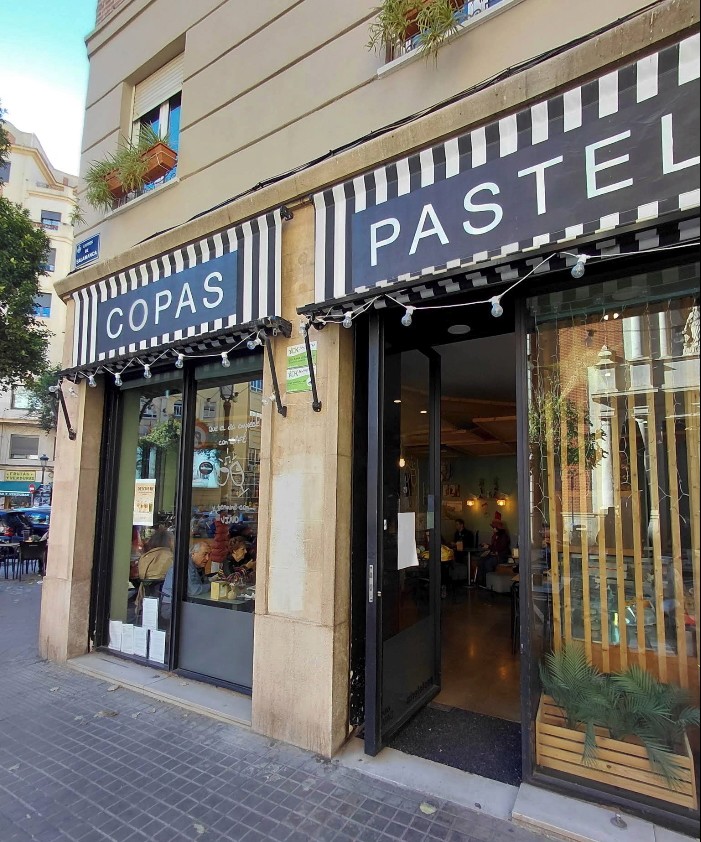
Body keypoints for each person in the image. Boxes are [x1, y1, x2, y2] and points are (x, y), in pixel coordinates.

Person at [160, 541, 212, 621]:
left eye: (209, 555)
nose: (207, 558)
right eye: (204, 554)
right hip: (171, 606)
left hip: (186, 603)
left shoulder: (198, 566)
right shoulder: (185, 566)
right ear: (193, 554)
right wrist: (212, 586)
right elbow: (194, 590)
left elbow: (202, 584)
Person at [475, 512, 511, 587]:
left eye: (494, 527)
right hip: (494, 555)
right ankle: (481, 581)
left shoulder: (504, 537)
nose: (493, 529)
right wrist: (487, 545)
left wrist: (489, 547)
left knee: (488, 563)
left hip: (502, 556)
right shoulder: (494, 536)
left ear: (498, 528)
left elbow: (500, 548)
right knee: (481, 560)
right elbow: (494, 547)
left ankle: (489, 583)